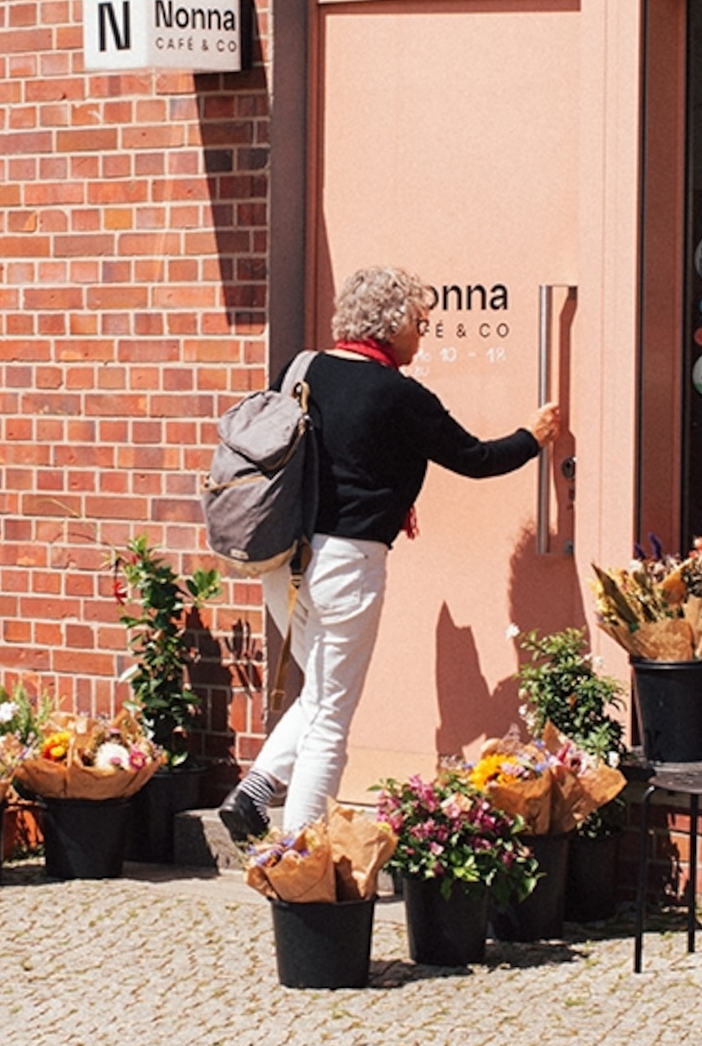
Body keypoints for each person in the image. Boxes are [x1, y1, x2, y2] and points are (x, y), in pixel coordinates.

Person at [220, 265, 561, 844]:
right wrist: (534, 434)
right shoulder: (400, 396)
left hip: (282, 561)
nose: (423, 336)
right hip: (347, 567)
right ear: (394, 324)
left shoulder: (300, 368)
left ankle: (253, 795)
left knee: (321, 691)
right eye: (421, 323)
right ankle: (302, 848)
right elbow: (477, 459)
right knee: (331, 716)